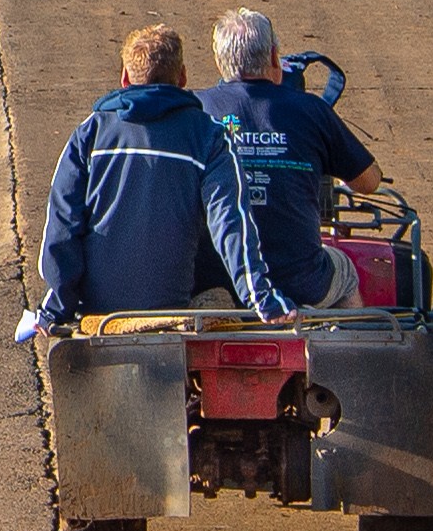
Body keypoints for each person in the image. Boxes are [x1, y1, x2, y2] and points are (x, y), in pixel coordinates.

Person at [27, 24, 291, 334]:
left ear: (125, 78)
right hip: (170, 308)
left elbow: (61, 225)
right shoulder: (210, 136)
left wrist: (55, 308)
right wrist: (262, 299)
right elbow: (231, 222)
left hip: (98, 314)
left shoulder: (90, 133)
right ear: (182, 78)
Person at [196, 9, 381, 313]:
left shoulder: (198, 109)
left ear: (220, 62)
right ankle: (351, 352)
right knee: (345, 271)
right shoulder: (311, 109)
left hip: (214, 280)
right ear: (273, 57)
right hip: (302, 282)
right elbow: (369, 182)